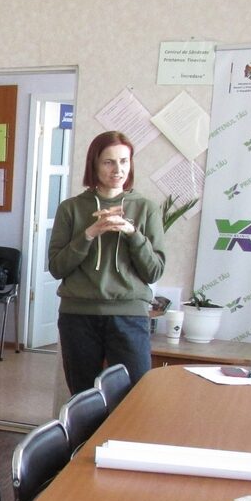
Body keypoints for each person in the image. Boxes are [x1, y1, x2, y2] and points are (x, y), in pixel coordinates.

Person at [48, 131, 165, 396]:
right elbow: (57, 267)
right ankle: (87, 441)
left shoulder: (146, 208)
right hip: (78, 316)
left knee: (135, 397)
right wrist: (89, 234)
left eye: (124, 161)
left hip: (129, 315)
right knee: (84, 398)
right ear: (95, 164)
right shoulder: (71, 208)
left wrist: (132, 234)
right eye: (109, 162)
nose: (118, 169)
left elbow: (154, 270)